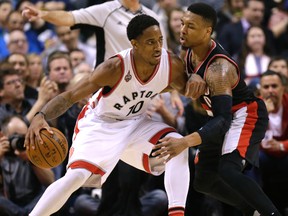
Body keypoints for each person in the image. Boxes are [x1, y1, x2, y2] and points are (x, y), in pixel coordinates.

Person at [24, 14, 205, 216]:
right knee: (75, 178)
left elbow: (187, 88)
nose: (157, 47)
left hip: (135, 124)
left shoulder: (169, 63)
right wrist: (40, 116)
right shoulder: (113, 68)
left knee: (177, 144)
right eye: (150, 42)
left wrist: (196, 77)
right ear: (135, 44)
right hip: (100, 125)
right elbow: (69, 96)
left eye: (160, 40)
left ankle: (177, 213)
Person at [153, 3, 282, 215]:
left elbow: (223, 121)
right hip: (220, 116)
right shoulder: (189, 52)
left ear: (207, 32)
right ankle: (251, 211)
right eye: (183, 23)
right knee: (203, 181)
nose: (182, 30)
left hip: (244, 114)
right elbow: (181, 85)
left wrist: (185, 142)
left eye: (190, 26)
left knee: (228, 170)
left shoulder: (218, 69)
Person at [0, 115, 54, 216]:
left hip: (33, 204)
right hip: (9, 208)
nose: (22, 141)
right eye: (16, 136)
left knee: (50, 194)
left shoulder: (33, 150)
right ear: (3, 136)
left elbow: (50, 182)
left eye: (24, 136)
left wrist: (32, 159)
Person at [257, 70, 288, 215]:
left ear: (283, 88)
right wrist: (264, 114)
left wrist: (282, 145)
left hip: (286, 153)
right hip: (262, 155)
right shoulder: (254, 107)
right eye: (266, 87)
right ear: (260, 89)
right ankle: (256, 209)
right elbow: (247, 139)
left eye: (274, 86)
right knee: (252, 162)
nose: (270, 91)